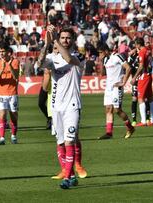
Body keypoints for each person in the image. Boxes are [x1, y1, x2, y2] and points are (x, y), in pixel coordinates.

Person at [38, 25, 87, 189]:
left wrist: (56, 40)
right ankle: (71, 175)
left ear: (73, 40)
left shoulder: (79, 56)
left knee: (69, 141)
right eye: (63, 37)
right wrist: (47, 43)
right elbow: (39, 63)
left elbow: (68, 60)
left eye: (68, 38)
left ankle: (66, 178)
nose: (65, 40)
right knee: (60, 143)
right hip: (57, 106)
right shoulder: (52, 57)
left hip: (72, 105)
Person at [97, 44, 135, 140]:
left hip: (116, 88)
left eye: (101, 53)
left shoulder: (117, 57)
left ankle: (130, 128)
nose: (100, 55)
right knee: (108, 109)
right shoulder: (105, 60)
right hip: (108, 88)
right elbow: (103, 74)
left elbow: (128, 68)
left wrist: (123, 82)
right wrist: (101, 62)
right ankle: (109, 133)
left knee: (117, 110)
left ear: (106, 51)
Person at [0, 43, 19, 145]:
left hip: (12, 93)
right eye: (0, 51)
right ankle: (2, 138)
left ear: (8, 52)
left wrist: (10, 65)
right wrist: (2, 68)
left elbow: (16, 76)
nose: (1, 53)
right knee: (2, 115)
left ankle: (13, 136)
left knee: (13, 116)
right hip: (1, 94)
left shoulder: (15, 61)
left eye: (3, 51)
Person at [131, 38, 153, 126]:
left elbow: (141, 66)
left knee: (140, 98)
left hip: (144, 76)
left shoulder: (142, 51)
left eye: (135, 44)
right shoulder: (147, 50)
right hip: (149, 75)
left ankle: (143, 121)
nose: (135, 46)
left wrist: (134, 77)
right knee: (150, 98)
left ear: (138, 44)